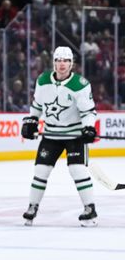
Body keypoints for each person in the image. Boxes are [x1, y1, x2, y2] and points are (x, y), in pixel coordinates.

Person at [20, 46, 99, 226]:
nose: (62, 64)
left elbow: (89, 112)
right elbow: (37, 105)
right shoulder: (43, 80)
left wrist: (88, 128)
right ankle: (32, 207)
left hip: (74, 136)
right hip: (51, 134)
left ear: (72, 63)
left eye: (66, 61)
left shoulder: (80, 84)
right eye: (58, 60)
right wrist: (32, 120)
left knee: (77, 170)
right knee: (41, 170)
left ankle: (90, 209)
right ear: (54, 62)